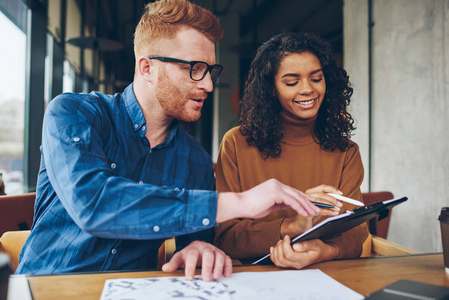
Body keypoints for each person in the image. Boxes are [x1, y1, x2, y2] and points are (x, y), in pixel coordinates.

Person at [16, 0, 321, 281]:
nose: (208, 85)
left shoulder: (197, 161)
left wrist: (199, 251)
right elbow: (94, 204)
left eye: (210, 71)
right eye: (194, 69)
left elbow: (195, 247)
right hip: (43, 288)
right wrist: (240, 202)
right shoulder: (74, 113)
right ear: (147, 67)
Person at [214, 32, 370, 268]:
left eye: (316, 78)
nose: (307, 89)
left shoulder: (346, 152)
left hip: (325, 276)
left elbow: (356, 230)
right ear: (271, 89)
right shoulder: (236, 144)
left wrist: (324, 251)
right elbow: (224, 236)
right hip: (251, 277)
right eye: (291, 82)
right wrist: (293, 226)